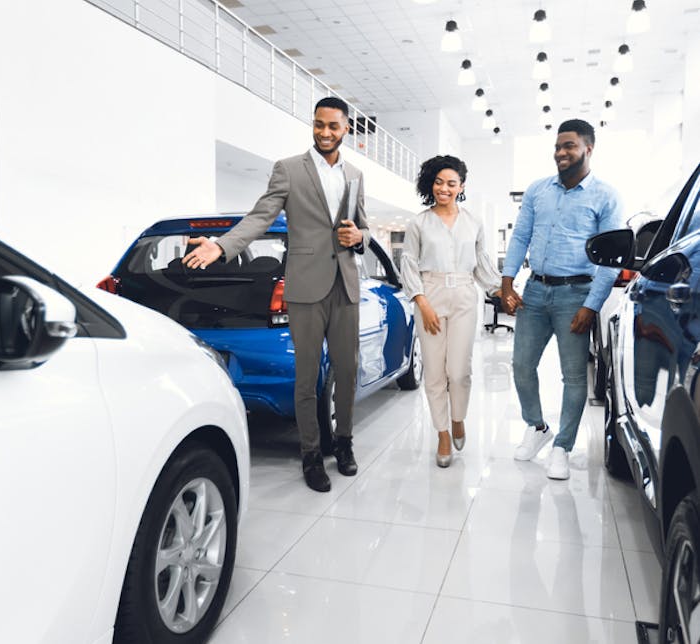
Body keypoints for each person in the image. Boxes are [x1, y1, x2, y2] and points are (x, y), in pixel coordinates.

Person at [183, 96, 369, 493]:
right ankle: (311, 455)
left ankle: (345, 443)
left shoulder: (354, 174)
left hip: (345, 285)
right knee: (306, 378)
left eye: (332, 126)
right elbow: (260, 216)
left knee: (348, 372)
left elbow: (362, 227)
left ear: (346, 129)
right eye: (318, 124)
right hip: (304, 287)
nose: (324, 132)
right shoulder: (288, 169)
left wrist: (361, 237)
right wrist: (221, 245)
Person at [501, 119, 624, 480]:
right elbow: (520, 236)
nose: (560, 153)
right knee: (522, 365)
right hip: (535, 291)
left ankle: (563, 447)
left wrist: (592, 305)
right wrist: (508, 283)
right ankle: (537, 428)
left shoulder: (606, 196)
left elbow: (611, 258)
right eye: (557, 146)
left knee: (573, 377)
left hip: (576, 294)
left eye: (569, 145)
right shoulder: (539, 190)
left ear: (588, 148)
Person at [400, 155, 501, 467]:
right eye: (439, 182)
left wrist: (501, 290)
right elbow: (409, 264)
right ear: (431, 184)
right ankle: (443, 433)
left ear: (461, 186)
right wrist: (422, 302)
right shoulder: (418, 222)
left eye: (451, 183)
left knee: (458, 372)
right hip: (429, 294)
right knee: (434, 372)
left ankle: (459, 418)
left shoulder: (473, 222)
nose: (444, 188)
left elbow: (482, 265)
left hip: (464, 295)